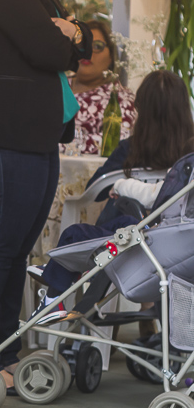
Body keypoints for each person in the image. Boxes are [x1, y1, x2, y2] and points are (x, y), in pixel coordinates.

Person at [0, 0, 92, 391]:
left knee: (15, 252)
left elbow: (82, 46)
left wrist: (73, 32)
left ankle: (6, 353)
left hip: (32, 132)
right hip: (1, 130)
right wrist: (68, 35)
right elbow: (50, 50)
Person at [30, 70, 194, 321]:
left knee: (82, 231)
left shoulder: (131, 149)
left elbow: (95, 190)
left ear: (142, 110)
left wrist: (120, 185)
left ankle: (56, 285)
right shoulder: (188, 158)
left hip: (130, 249)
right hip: (177, 254)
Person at [62, 20, 136, 155]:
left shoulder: (120, 98)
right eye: (81, 44)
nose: (88, 51)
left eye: (97, 46)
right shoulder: (56, 85)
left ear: (111, 57)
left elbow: (119, 143)